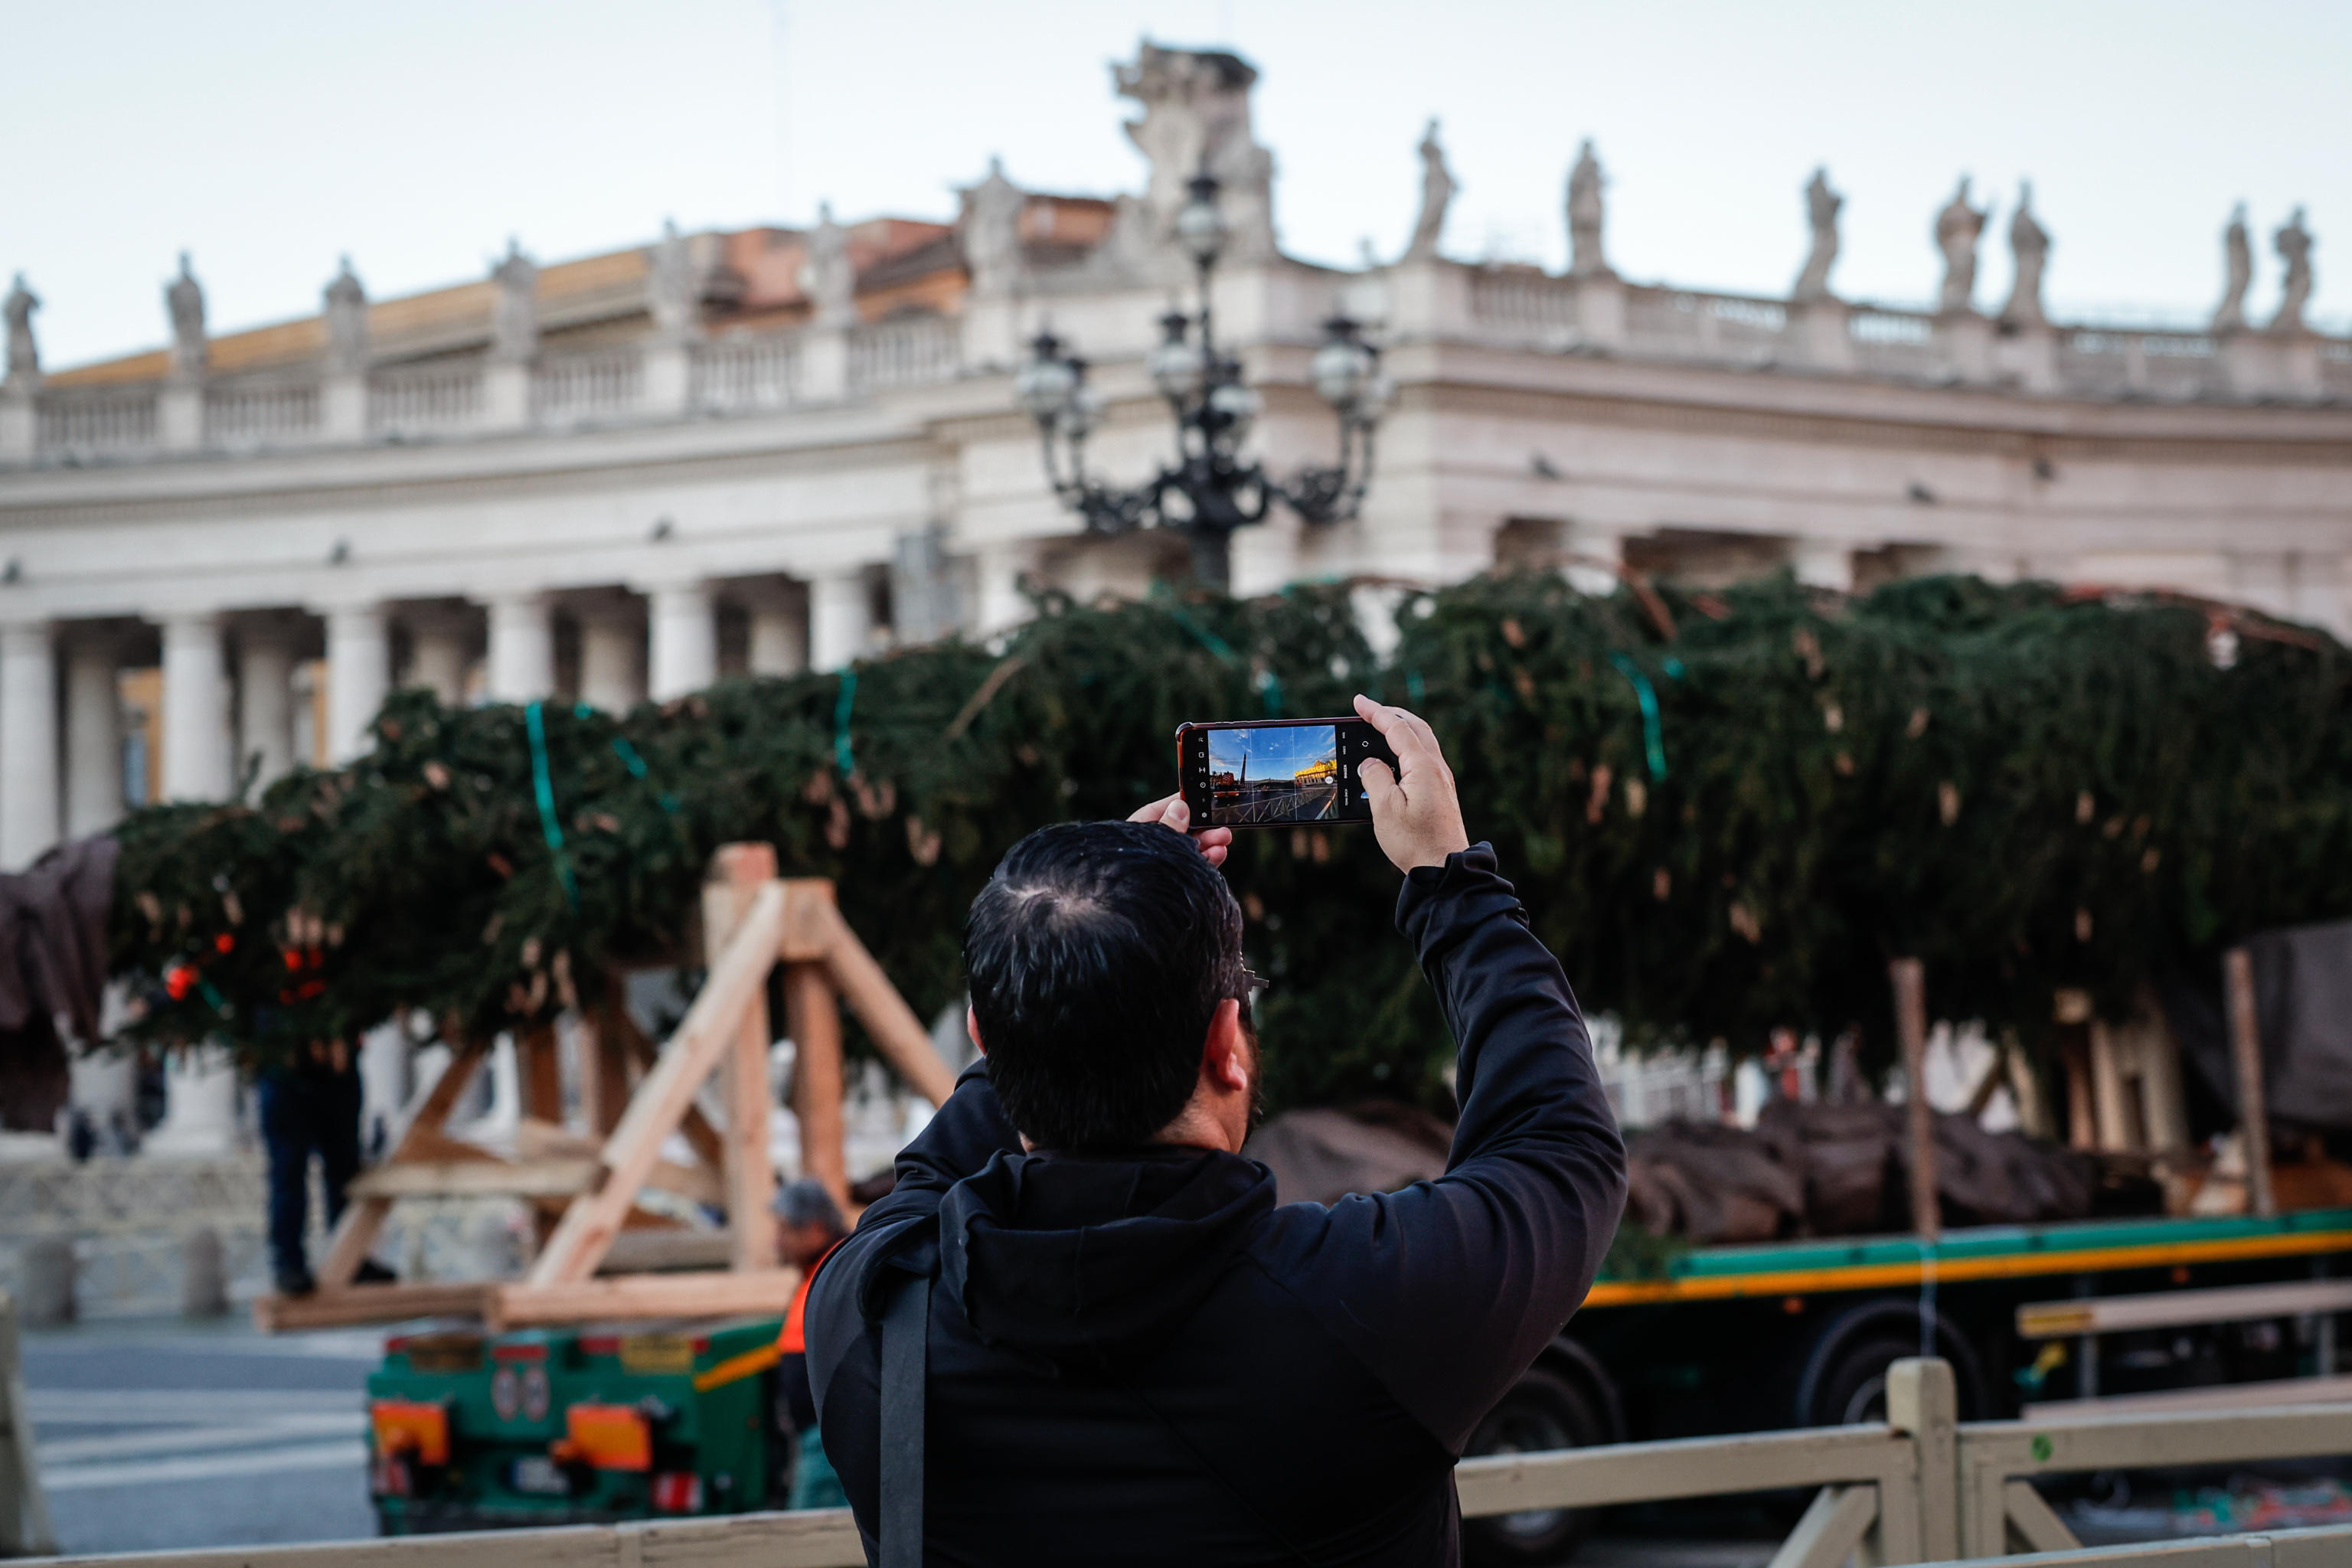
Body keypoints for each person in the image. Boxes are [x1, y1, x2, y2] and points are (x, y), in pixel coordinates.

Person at [804, 695, 1627, 1566]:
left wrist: (1069, 942)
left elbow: (932, 1172)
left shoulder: (871, 1322)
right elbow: (1560, 1146)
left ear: (982, 1038)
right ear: (1228, 1045)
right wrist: (1449, 878)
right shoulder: (1370, 1307)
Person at [255, 1040, 365, 1295]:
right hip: (282, 1066)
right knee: (288, 1173)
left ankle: (352, 1256)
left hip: (335, 1067)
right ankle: (289, 1264)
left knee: (346, 1169)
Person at [771, 1178, 851, 1510]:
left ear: (815, 1228)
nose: (776, 1240)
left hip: (829, 1441)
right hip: (817, 1438)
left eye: (785, 1229)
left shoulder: (840, 1271)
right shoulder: (818, 1272)